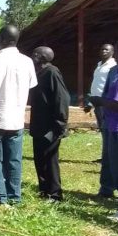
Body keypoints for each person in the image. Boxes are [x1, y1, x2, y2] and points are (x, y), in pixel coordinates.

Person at [0, 25, 38, 205]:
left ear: (1, 40)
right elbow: (31, 87)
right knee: (13, 160)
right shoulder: (27, 62)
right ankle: (14, 196)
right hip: (16, 118)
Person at [29, 47, 70, 201]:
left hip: (50, 125)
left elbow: (62, 98)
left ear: (44, 57)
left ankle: (55, 193)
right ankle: (44, 190)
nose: (33, 56)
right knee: (39, 159)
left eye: (36, 54)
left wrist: (60, 124)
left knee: (50, 160)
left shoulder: (52, 72)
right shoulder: (37, 73)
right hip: (38, 124)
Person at [84, 44, 116, 189]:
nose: (103, 51)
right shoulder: (105, 67)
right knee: (107, 145)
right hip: (101, 107)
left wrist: (100, 101)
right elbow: (99, 87)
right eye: (102, 49)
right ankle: (106, 187)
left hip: (110, 109)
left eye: (107, 50)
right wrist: (92, 103)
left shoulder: (112, 67)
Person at [92, 63, 118, 217]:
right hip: (110, 123)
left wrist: (99, 101)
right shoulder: (114, 71)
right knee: (112, 164)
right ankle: (107, 188)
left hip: (117, 126)